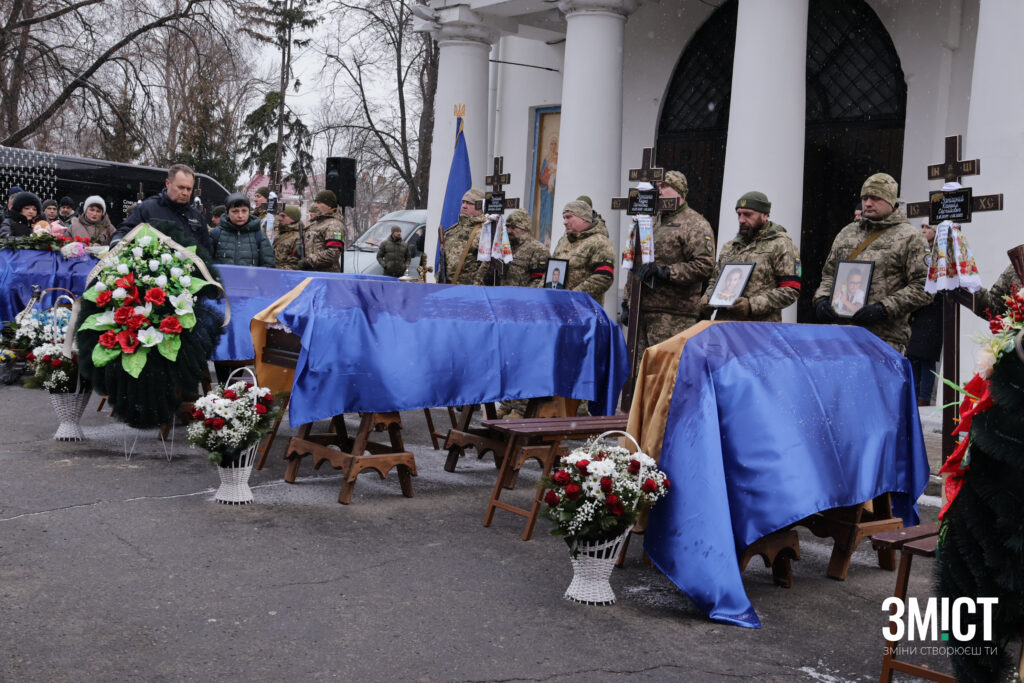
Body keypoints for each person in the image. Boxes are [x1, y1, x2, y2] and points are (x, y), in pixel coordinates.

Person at [814, 173, 932, 353]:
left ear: (891, 201)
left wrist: (883, 308)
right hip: (841, 336)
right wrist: (822, 299)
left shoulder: (911, 236)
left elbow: (924, 286)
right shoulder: (847, 232)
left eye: (875, 198)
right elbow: (830, 273)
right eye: (864, 198)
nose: (868, 203)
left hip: (883, 340)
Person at [622, 170, 715, 358]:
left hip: (673, 315)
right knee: (637, 373)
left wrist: (666, 272)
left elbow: (704, 266)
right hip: (641, 312)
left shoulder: (695, 224)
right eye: (657, 187)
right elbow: (634, 263)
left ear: (679, 192)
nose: (659, 191)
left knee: (664, 373)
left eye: (665, 187)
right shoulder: (650, 221)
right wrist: (627, 301)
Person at [700, 192, 800, 321]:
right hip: (725, 326)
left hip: (759, 329)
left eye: (747, 215)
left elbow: (791, 289)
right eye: (739, 214)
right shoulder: (729, 247)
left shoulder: (781, 244)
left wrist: (752, 305)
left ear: (764, 215)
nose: (741, 220)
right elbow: (715, 280)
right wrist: (708, 297)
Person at [111, 164, 210, 252]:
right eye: (181, 187)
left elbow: (206, 252)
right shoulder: (147, 209)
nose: (185, 193)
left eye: (189, 189)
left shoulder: (197, 218)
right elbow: (124, 231)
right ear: (168, 183)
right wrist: (117, 245)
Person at [551, 199, 615, 304]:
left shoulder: (600, 242)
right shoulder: (564, 241)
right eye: (564, 218)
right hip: (557, 306)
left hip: (584, 311)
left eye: (569, 217)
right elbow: (551, 268)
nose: (565, 222)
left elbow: (603, 278)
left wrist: (571, 298)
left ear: (583, 218)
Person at [210, 193, 275, 267]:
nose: (240, 216)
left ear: (249, 212)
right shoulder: (215, 235)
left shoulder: (259, 236)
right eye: (235, 211)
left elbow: (268, 266)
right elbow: (206, 264)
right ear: (228, 213)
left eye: (244, 211)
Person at [492, 208, 547, 287]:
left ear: (524, 229)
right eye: (507, 227)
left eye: (513, 228)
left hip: (522, 297)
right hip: (501, 295)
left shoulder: (539, 250)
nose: (509, 231)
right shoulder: (504, 246)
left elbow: (538, 281)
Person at [444, 188, 487, 285]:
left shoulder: (484, 232)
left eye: (470, 203)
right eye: (463, 202)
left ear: (481, 206)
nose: (464, 206)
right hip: (446, 287)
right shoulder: (453, 230)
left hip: (468, 292)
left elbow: (486, 267)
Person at [297, 190, 345, 272]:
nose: (315, 206)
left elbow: (332, 253)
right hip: (311, 273)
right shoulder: (316, 223)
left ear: (329, 206)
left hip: (325, 275)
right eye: (315, 202)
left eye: (319, 203)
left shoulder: (334, 225)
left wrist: (308, 261)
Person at [273, 205, 304, 270]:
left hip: (283, 274)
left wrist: (275, 270)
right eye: (280, 215)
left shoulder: (299, 237)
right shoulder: (281, 233)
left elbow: (295, 264)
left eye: (283, 216)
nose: (280, 218)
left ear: (293, 218)